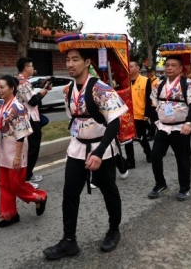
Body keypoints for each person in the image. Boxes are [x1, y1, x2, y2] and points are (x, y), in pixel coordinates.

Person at [43, 48, 128, 259]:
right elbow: (74, 119)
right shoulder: (67, 90)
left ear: (87, 62)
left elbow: (114, 122)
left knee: (109, 190)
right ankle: (69, 241)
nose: (70, 64)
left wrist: (99, 152)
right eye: (67, 60)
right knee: (70, 193)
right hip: (77, 148)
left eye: (75, 59)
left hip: (102, 149)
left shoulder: (101, 88)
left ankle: (114, 229)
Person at [0, 75, 47, 228]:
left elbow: (22, 134)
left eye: (2, 87)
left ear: (12, 88)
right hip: (4, 152)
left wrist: (17, 156)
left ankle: (40, 197)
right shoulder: (2, 106)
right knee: (4, 185)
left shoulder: (17, 107)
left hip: (16, 153)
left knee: (17, 185)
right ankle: (10, 214)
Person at [148, 55, 191, 201]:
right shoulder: (158, 84)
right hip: (163, 127)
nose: (170, 68)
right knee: (155, 156)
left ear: (180, 68)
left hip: (180, 127)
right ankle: (160, 183)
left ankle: (184, 188)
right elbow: (153, 103)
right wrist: (154, 119)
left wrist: (189, 122)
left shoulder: (188, 84)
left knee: (182, 159)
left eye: (173, 65)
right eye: (167, 65)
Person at [16, 57, 49, 188]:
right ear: (25, 68)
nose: (33, 68)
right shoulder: (23, 83)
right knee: (32, 148)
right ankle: (26, 177)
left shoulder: (24, 82)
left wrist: (42, 91)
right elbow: (33, 101)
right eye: (31, 66)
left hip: (31, 117)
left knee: (32, 147)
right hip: (28, 119)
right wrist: (44, 92)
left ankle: (29, 174)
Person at [124, 60, 152, 169]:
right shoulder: (124, 81)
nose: (129, 68)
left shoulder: (145, 81)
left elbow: (149, 99)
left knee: (141, 137)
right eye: (128, 66)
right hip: (127, 115)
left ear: (138, 68)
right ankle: (130, 160)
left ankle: (149, 154)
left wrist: (147, 114)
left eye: (131, 66)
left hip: (140, 114)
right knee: (127, 139)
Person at [146, 66, 159, 141]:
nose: (149, 73)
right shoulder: (147, 80)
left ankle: (152, 134)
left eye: (151, 72)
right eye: (148, 72)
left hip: (154, 104)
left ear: (154, 72)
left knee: (153, 120)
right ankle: (151, 132)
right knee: (150, 119)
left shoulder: (157, 81)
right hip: (148, 103)